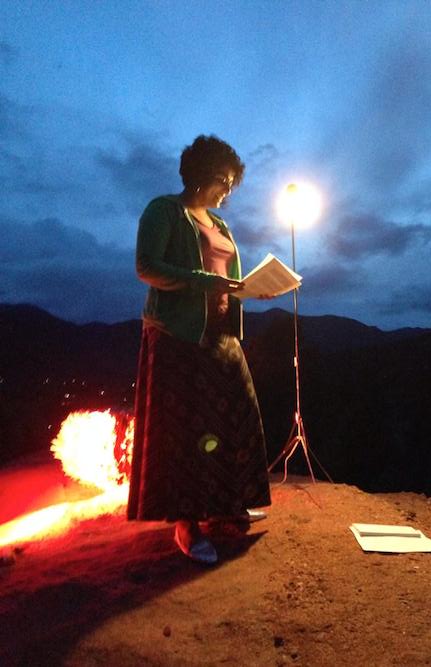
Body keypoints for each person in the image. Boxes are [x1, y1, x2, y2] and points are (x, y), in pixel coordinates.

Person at [127, 135, 271, 564]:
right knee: (185, 434)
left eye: (231, 183)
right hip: (177, 334)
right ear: (202, 175)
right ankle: (185, 525)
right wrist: (205, 282)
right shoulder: (164, 211)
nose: (228, 190)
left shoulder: (221, 226)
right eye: (224, 180)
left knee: (236, 416)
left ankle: (226, 505)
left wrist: (253, 291)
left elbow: (230, 278)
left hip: (221, 333)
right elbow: (146, 267)